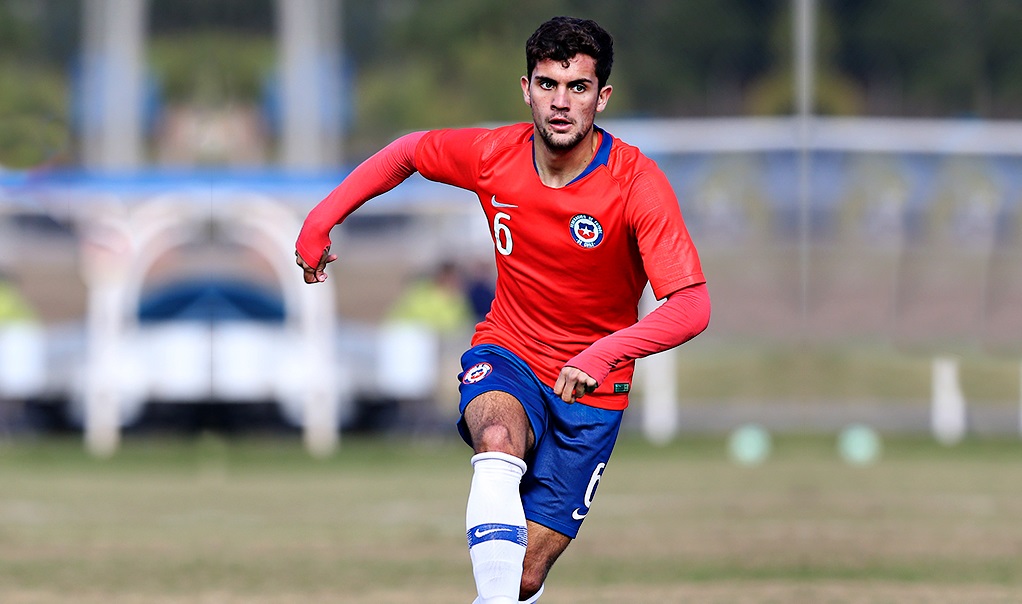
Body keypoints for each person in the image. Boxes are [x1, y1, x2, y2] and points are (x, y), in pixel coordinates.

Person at [295, 16, 710, 603]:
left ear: (602, 96)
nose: (560, 103)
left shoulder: (636, 183)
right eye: (547, 85)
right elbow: (408, 151)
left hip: (593, 390)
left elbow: (692, 304)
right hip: (508, 352)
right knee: (497, 437)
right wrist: (321, 218)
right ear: (526, 89)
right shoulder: (494, 155)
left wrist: (606, 351)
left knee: (522, 579)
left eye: (578, 87)